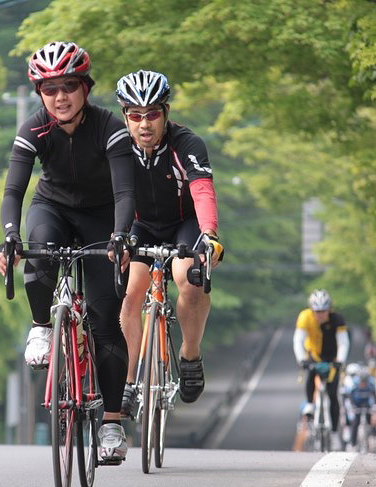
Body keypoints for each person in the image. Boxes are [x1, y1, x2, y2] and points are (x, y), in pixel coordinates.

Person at [0, 41, 134, 462]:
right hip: (51, 208)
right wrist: (8, 235)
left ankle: (111, 424)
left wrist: (121, 236)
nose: (61, 97)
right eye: (50, 88)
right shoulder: (32, 129)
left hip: (101, 217)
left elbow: (126, 191)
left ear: (86, 88)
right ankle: (41, 325)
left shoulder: (110, 127)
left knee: (106, 319)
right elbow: (14, 190)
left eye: (69, 85)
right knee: (36, 250)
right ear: (39, 94)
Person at [114, 70, 223, 418]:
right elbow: (107, 199)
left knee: (189, 281)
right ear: (124, 117)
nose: (144, 124)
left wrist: (209, 235)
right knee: (130, 296)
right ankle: (128, 381)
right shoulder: (116, 147)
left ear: (166, 112)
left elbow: (203, 191)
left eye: (152, 114)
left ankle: (190, 354)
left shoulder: (187, 144)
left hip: (183, 225)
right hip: (140, 226)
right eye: (135, 115)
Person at [293, 289, 350, 451]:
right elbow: (298, 340)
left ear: (329, 310)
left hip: (332, 359)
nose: (320, 315)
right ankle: (310, 404)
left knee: (333, 394)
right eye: (317, 312)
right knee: (310, 372)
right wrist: (301, 360)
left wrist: (340, 361)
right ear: (312, 310)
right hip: (314, 355)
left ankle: (333, 434)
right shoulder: (305, 317)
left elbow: (343, 343)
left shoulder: (337, 319)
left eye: (323, 311)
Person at [347, 369, 376, 450]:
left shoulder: (370, 386)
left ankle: (373, 437)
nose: (363, 384)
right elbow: (350, 397)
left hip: (367, 405)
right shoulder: (355, 387)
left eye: (365, 382)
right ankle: (353, 443)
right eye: (362, 382)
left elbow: (375, 397)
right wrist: (352, 406)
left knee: (372, 420)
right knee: (356, 422)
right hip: (357, 405)